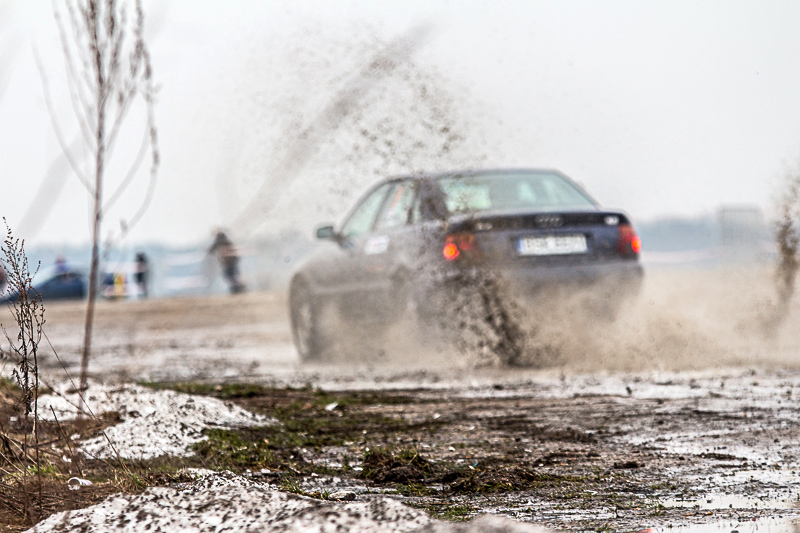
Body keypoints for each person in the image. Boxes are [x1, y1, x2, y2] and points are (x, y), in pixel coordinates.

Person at [208, 230, 244, 294]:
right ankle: (237, 289)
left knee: (230, 276)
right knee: (233, 276)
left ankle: (236, 289)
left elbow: (211, 250)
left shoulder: (219, 242)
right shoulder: (227, 241)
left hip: (229, 262)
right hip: (231, 262)